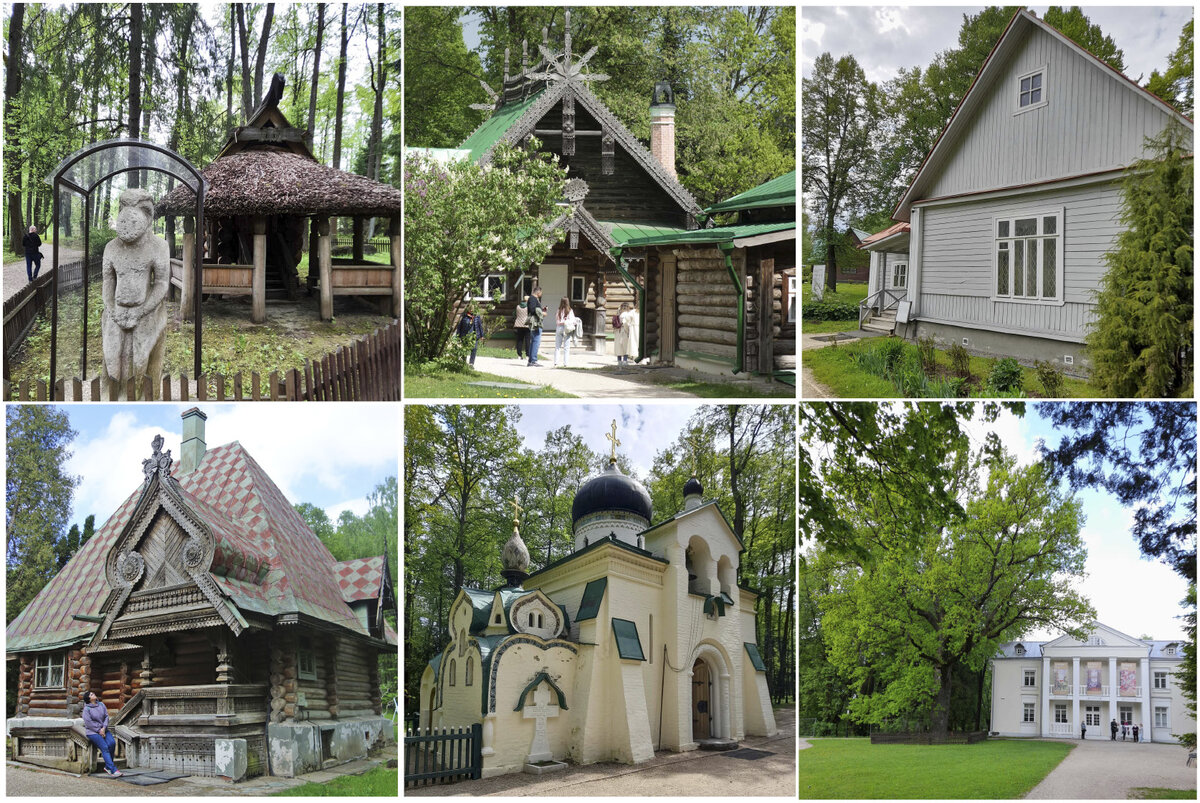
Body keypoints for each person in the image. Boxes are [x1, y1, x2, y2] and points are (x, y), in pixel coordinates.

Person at [82, 690, 122, 777]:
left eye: (93, 693)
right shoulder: (86, 709)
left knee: (112, 743)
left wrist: (103, 728)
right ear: (88, 698)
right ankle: (112, 769)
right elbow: (88, 723)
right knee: (104, 747)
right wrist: (99, 730)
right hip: (92, 732)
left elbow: (106, 717)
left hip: (104, 729)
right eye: (91, 694)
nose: (94, 694)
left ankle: (108, 766)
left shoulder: (101, 705)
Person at [553, 297, 577, 368]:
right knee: (566, 347)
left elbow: (556, 319)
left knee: (557, 346)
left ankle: (556, 363)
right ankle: (565, 363)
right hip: (566, 328)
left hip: (559, 327)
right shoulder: (569, 310)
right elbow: (573, 320)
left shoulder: (558, 310)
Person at [526, 287, 546, 366]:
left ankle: (531, 360)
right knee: (536, 341)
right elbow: (532, 309)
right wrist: (542, 313)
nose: (541, 294)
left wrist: (542, 309)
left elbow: (535, 309)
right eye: (541, 293)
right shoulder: (533, 299)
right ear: (538, 292)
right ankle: (533, 360)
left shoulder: (532, 299)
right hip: (535, 323)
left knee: (534, 341)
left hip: (536, 322)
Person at [614, 301, 639, 367]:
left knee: (618, 347)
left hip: (618, 332)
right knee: (625, 347)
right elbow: (625, 324)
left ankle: (619, 361)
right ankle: (625, 361)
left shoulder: (618, 314)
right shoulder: (626, 314)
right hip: (624, 332)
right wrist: (628, 331)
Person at [513, 294, 530, 361]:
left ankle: (519, 355)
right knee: (527, 341)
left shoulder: (518, 306)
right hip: (526, 324)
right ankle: (527, 355)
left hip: (518, 324)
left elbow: (515, 314)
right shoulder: (528, 307)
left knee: (519, 340)